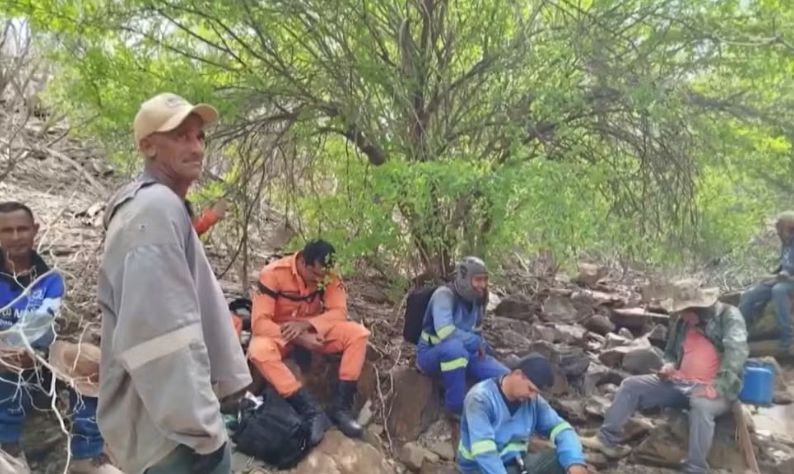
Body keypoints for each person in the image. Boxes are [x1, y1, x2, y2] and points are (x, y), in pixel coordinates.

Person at [97, 93, 252, 474]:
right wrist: (203, 432)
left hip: (169, 429)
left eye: (199, 137)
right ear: (148, 146)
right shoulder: (154, 210)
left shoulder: (160, 206)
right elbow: (162, 337)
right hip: (173, 441)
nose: (196, 146)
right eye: (180, 136)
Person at [0, 201, 121, 474]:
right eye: (7, 231)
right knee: (7, 358)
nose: (16, 237)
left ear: (35, 231)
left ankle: (86, 454)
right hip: (7, 353)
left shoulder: (50, 279)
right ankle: (6, 445)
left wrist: (31, 351)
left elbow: (39, 325)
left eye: (22, 229)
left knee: (91, 361)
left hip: (38, 350)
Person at [580, 279, 749, 474]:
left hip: (719, 388)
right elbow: (670, 354)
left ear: (702, 305)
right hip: (681, 382)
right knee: (631, 385)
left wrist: (716, 387)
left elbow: (736, 353)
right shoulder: (683, 321)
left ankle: (695, 467)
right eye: (682, 311)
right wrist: (668, 367)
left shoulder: (728, 316)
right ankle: (606, 440)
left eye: (689, 310)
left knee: (701, 406)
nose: (684, 315)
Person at [248, 239, 369, 443]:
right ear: (303, 262)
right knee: (258, 350)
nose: (320, 281)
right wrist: (300, 338)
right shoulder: (273, 274)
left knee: (357, 334)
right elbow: (259, 323)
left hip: (313, 330)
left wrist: (308, 325)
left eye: (324, 277)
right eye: (316, 275)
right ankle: (311, 410)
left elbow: (339, 311)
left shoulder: (329, 272)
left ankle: (341, 409)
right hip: (280, 333)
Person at [457, 352, 587, 474]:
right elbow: (485, 453)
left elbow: (561, 428)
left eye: (536, 392)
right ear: (517, 374)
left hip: (516, 465)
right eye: (530, 389)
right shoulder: (480, 399)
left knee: (562, 457)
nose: (532, 396)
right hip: (480, 469)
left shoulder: (533, 401)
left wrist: (575, 462)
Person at [416, 257, 508, 417]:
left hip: (466, 353)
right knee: (455, 349)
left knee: (508, 378)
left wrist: (486, 351)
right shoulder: (443, 295)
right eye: (478, 280)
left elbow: (478, 334)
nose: (483, 285)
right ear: (465, 278)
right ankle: (455, 407)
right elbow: (445, 332)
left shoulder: (476, 302)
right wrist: (475, 342)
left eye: (485, 280)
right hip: (430, 354)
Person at [738, 210, 794, 355]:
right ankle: (743, 334)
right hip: (783, 279)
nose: (777, 232)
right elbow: (785, 266)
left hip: (789, 282)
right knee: (748, 295)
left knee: (779, 290)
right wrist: (775, 275)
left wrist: (789, 278)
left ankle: (787, 336)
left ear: (788, 226)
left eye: (779, 227)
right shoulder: (786, 243)